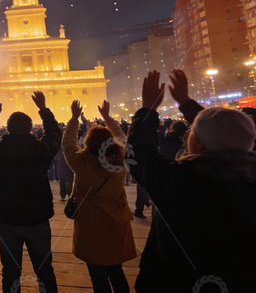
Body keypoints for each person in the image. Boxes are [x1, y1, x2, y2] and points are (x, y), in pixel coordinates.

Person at [129, 70, 256, 292]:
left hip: (177, 282)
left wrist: (148, 109)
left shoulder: (181, 180)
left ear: (196, 144)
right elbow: (223, 131)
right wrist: (186, 104)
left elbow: (138, 153)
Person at [0, 92, 62, 293]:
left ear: (7, 128)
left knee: (11, 271)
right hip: (37, 218)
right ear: (31, 128)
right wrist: (43, 109)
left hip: (7, 219)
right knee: (44, 270)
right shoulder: (41, 150)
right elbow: (55, 135)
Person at [63, 100, 135, 293]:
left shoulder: (81, 163)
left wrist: (73, 119)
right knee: (117, 272)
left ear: (88, 142)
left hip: (91, 228)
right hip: (117, 225)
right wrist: (107, 119)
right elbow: (121, 138)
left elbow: (68, 143)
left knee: (98, 277)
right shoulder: (122, 161)